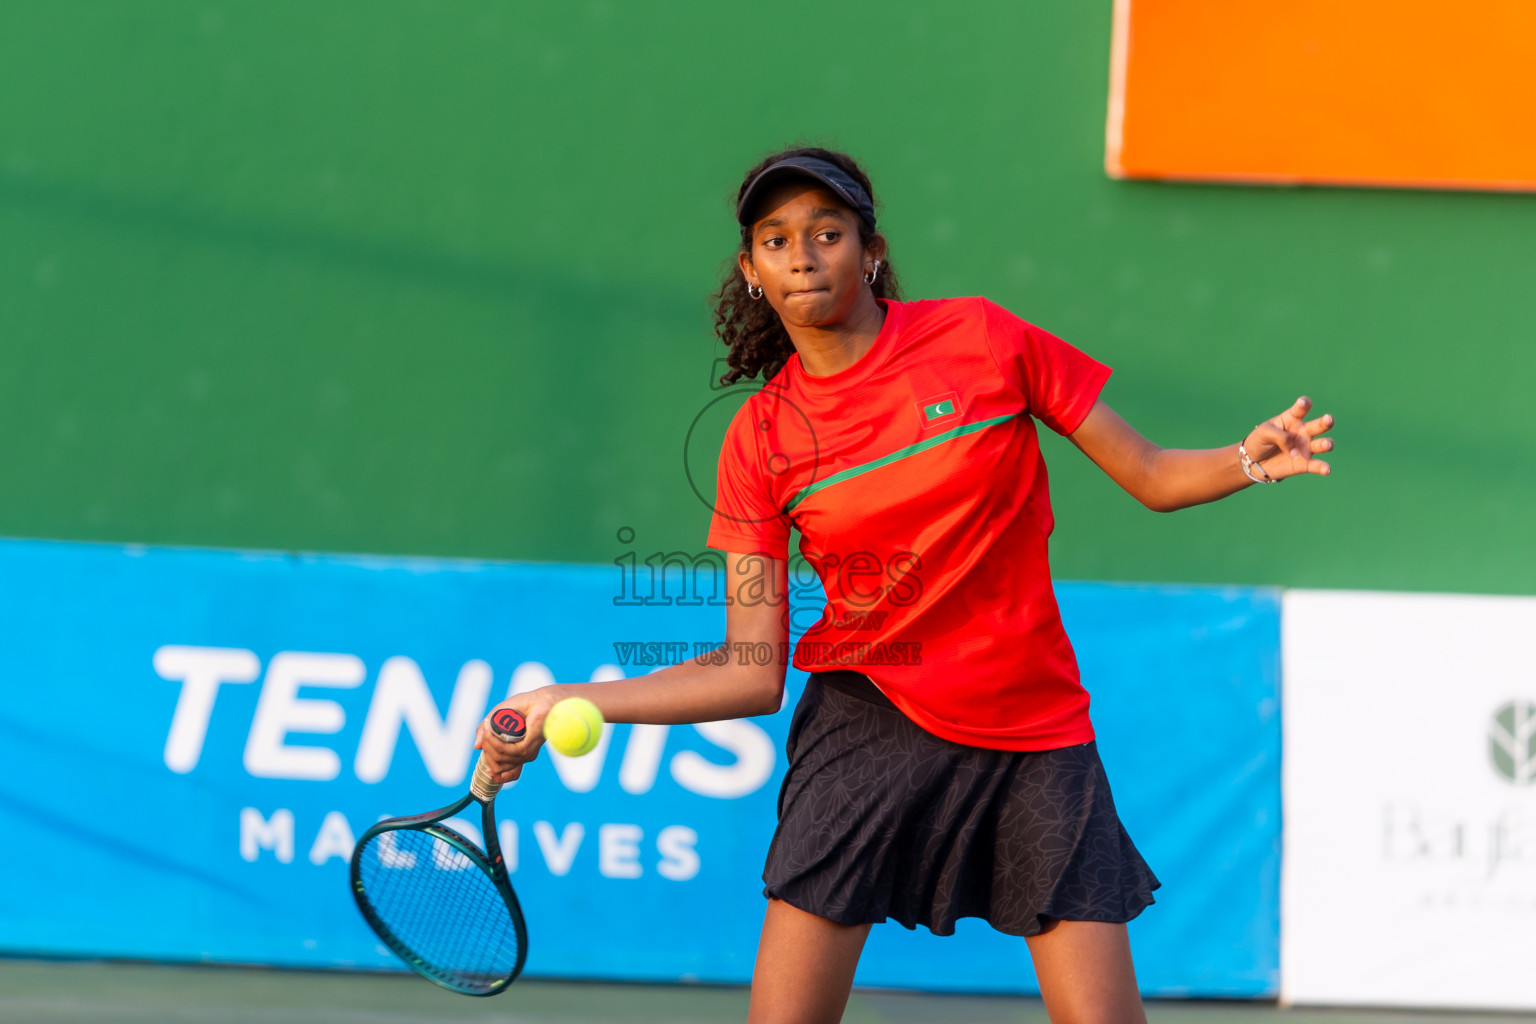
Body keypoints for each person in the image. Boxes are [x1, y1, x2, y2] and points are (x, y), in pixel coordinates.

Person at [475, 146, 1335, 1024]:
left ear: (869, 249)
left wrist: (1245, 461)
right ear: (752, 271)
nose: (802, 254)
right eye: (775, 240)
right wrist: (566, 696)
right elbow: (750, 670)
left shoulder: (985, 340)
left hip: (1034, 725)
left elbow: (1150, 474)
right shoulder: (760, 440)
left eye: (826, 232)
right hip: (868, 723)